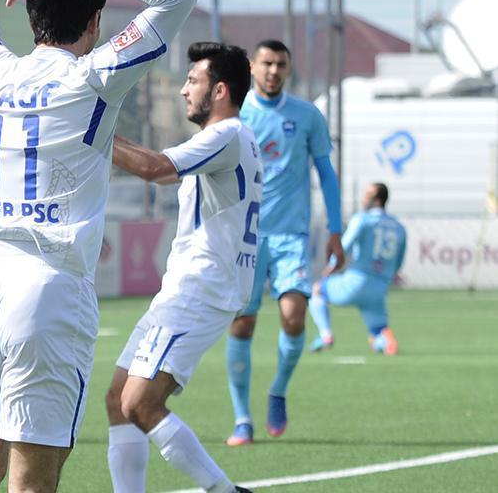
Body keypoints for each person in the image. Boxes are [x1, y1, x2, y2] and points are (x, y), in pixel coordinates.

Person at [0, 0, 199, 493]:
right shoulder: (94, 76)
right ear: (95, 22)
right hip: (47, 286)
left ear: (31, 16)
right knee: (32, 482)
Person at [105, 42, 258, 493]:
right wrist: (98, 129)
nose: (183, 90)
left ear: (220, 90)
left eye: (193, 81)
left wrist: (89, 131)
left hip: (201, 289)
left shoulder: (226, 135)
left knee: (140, 404)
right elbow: (160, 165)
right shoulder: (228, 138)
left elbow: (154, 169)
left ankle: (224, 491)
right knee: (118, 399)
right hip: (187, 289)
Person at [225, 39, 345, 446]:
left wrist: (335, 230)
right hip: (244, 237)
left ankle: (277, 390)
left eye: (280, 64)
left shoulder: (307, 115)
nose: (273, 71)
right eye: (267, 63)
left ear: (289, 69)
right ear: (252, 67)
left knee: (294, 317)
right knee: (243, 323)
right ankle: (242, 419)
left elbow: (326, 174)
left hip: (291, 236)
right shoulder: (236, 113)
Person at [309, 182, 406, 355]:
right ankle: (384, 341)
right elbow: (398, 263)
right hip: (379, 288)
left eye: (367, 195)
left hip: (356, 281)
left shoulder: (363, 220)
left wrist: (331, 267)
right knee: (377, 330)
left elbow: (344, 246)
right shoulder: (399, 227)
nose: (363, 198)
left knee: (317, 290)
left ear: (377, 200)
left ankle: (325, 335)